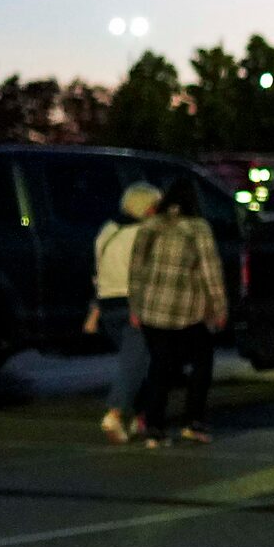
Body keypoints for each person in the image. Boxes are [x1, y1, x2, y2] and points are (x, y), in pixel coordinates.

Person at [128, 177, 228, 445]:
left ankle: (154, 426)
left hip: (151, 309)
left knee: (159, 368)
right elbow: (210, 271)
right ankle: (193, 421)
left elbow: (136, 270)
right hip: (188, 311)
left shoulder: (150, 226)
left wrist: (135, 307)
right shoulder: (197, 228)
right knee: (202, 364)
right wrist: (219, 307)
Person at [90, 181, 160, 442]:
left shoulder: (107, 230)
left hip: (108, 304)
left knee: (137, 360)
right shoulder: (145, 234)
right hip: (135, 304)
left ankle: (140, 417)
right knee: (135, 363)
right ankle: (116, 413)